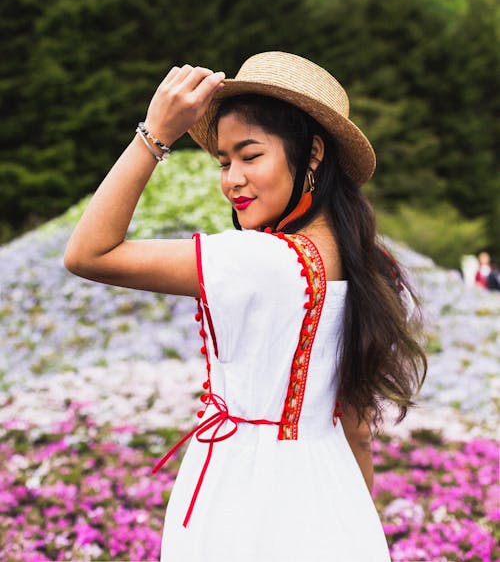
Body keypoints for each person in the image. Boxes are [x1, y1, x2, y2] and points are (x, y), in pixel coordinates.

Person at [64, 51, 427, 562]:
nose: (232, 179)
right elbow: (357, 430)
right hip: (331, 496)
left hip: (244, 498)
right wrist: (351, 526)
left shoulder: (260, 261)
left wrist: (154, 135)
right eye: (224, 161)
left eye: (250, 155)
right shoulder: (368, 265)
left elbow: (88, 253)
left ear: (314, 154)